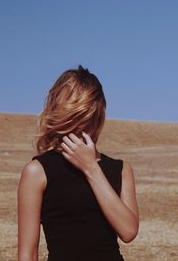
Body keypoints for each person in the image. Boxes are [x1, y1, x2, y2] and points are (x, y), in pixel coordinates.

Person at [17, 65, 139, 261]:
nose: (80, 127)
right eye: (73, 118)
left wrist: (92, 169)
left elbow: (128, 231)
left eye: (86, 118)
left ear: (99, 115)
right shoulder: (37, 171)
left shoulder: (121, 170)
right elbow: (27, 254)